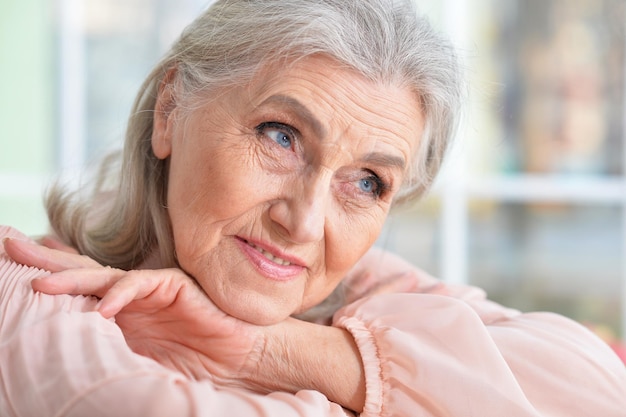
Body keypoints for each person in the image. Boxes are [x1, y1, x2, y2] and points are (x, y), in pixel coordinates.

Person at [1, 0, 625, 416]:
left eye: (368, 183)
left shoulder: (357, 292)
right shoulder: (29, 290)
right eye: (280, 135)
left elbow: (599, 394)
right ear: (171, 112)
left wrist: (269, 351)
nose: (303, 223)